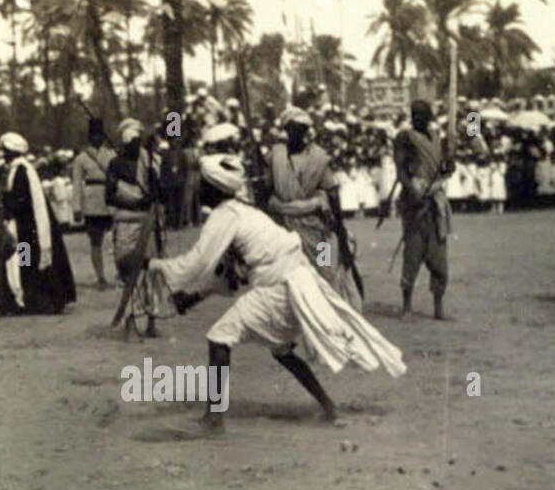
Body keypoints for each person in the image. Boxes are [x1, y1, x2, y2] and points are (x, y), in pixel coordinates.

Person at [140, 155, 406, 436]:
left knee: (219, 337)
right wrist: (190, 298)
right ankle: (328, 406)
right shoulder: (244, 211)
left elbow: (197, 263)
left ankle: (213, 419)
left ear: (214, 188)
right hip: (296, 281)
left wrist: (153, 265)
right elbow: (228, 277)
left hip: (281, 285)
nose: (198, 189)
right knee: (281, 350)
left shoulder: (225, 216)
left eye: (203, 184)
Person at [265, 107, 362, 309]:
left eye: (301, 129)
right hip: (285, 229)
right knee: (286, 279)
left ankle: (332, 313)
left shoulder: (318, 158)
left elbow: (332, 193)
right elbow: (266, 192)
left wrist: (340, 230)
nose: (297, 134)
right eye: (293, 129)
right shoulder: (275, 157)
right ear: (286, 129)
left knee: (326, 272)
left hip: (319, 231)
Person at [0, 132, 76, 315]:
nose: (3, 155)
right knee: (20, 263)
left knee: (25, 262)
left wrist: (5, 206)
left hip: (26, 231)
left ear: (13, 152)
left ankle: (29, 299)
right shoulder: (13, 170)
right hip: (20, 227)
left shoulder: (22, 171)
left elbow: (21, 200)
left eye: (5, 151)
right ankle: (21, 298)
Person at [393, 99, 452, 320]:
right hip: (414, 202)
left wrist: (448, 166)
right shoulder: (404, 138)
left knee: (439, 257)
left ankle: (438, 307)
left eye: (422, 114)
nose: (418, 118)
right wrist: (413, 190)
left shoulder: (438, 138)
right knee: (413, 254)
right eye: (415, 114)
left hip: (436, 201)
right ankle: (407, 306)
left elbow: (445, 166)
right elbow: (400, 172)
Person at [106, 118, 161, 336]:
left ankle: (151, 319)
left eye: (137, 143)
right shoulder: (115, 164)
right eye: (131, 144)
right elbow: (109, 196)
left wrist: (150, 196)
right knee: (127, 271)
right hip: (125, 223)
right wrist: (134, 201)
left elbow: (159, 192)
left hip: (147, 224)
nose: (135, 148)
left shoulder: (150, 163)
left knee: (150, 271)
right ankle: (131, 316)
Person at [71, 118, 114, 289]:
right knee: (95, 241)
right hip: (91, 204)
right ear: (89, 138)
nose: (97, 139)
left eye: (99, 136)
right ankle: (101, 276)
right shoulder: (81, 158)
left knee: (117, 240)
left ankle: (120, 272)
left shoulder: (111, 155)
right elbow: (76, 184)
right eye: (93, 136)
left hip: (110, 201)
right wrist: (77, 207)